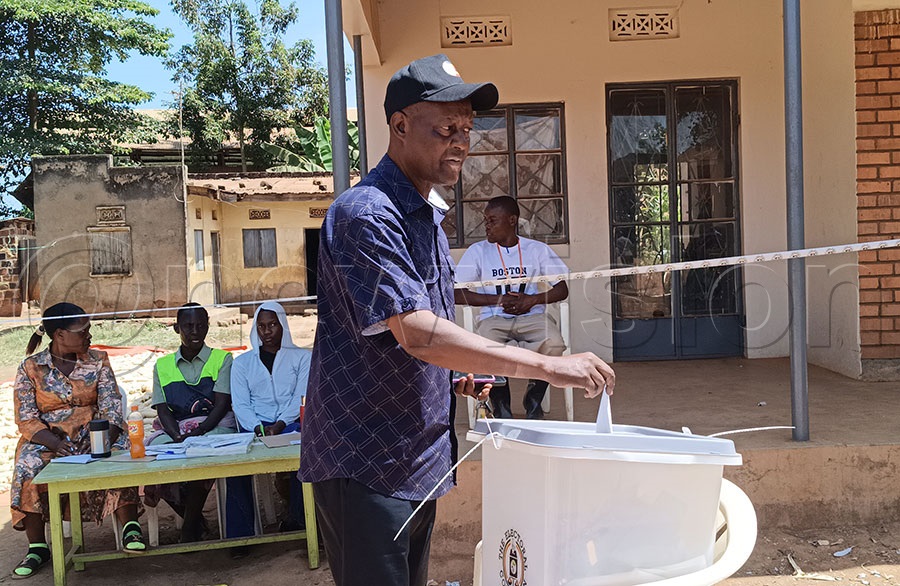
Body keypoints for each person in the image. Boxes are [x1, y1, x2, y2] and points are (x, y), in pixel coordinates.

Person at [300, 53, 616, 586]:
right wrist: (545, 367)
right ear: (400, 125)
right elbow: (418, 334)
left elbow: (416, 332)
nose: (463, 142)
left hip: (413, 459)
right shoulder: (368, 213)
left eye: (468, 128)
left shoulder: (425, 216)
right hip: (367, 461)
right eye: (447, 127)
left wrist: (453, 374)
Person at [11, 302, 146, 579]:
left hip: (94, 432)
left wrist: (102, 437)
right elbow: (26, 418)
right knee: (27, 463)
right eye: (83, 330)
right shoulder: (31, 368)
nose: (89, 335)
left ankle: (130, 525)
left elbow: (111, 407)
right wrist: (55, 444)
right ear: (59, 335)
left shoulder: (98, 361)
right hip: (49, 439)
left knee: (118, 454)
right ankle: (38, 547)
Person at [454, 195, 570, 419]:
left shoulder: (536, 249)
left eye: (492, 221)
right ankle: (501, 404)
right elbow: (456, 293)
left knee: (554, 343)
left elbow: (562, 289)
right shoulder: (478, 251)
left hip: (532, 316)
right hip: (493, 318)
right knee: (486, 347)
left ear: (512, 220)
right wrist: (498, 301)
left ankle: (534, 398)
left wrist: (531, 300)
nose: (486, 226)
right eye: (485, 220)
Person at [147, 302, 235, 543]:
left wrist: (199, 432)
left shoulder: (222, 359)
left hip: (213, 424)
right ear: (177, 328)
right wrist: (177, 436)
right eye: (188, 326)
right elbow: (163, 410)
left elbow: (222, 404)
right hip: (177, 427)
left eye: (200, 325)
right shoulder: (162, 365)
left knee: (203, 454)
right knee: (153, 458)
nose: (195, 331)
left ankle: (189, 528)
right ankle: (193, 517)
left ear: (208, 327)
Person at [225, 302, 311, 547]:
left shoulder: (302, 357)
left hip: (291, 423)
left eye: (272, 324)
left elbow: (302, 397)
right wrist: (258, 427)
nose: (267, 331)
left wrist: (281, 423)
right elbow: (240, 405)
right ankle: (240, 538)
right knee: (235, 467)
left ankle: (299, 522)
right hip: (253, 428)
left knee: (304, 457)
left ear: (282, 324)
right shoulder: (242, 364)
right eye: (261, 326)